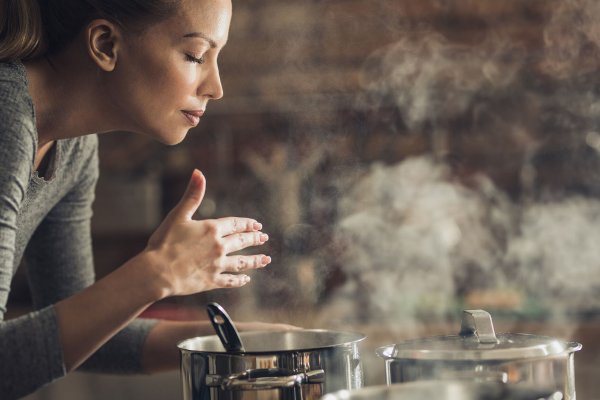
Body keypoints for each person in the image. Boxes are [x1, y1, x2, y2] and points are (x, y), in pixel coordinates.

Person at [0, 0, 294, 398]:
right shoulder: (7, 117)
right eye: (195, 55)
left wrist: (257, 343)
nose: (216, 87)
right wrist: (157, 273)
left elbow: (81, 332)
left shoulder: (74, 148)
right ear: (105, 44)